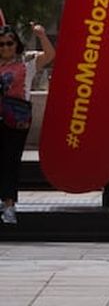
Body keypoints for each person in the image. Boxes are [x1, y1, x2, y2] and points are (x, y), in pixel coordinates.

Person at [0, 21, 55, 225]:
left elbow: (49, 56)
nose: (6, 47)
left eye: (9, 43)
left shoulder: (26, 63)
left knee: (10, 161)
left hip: (16, 120)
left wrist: (41, 35)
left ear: (16, 44)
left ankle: (9, 204)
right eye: (2, 44)